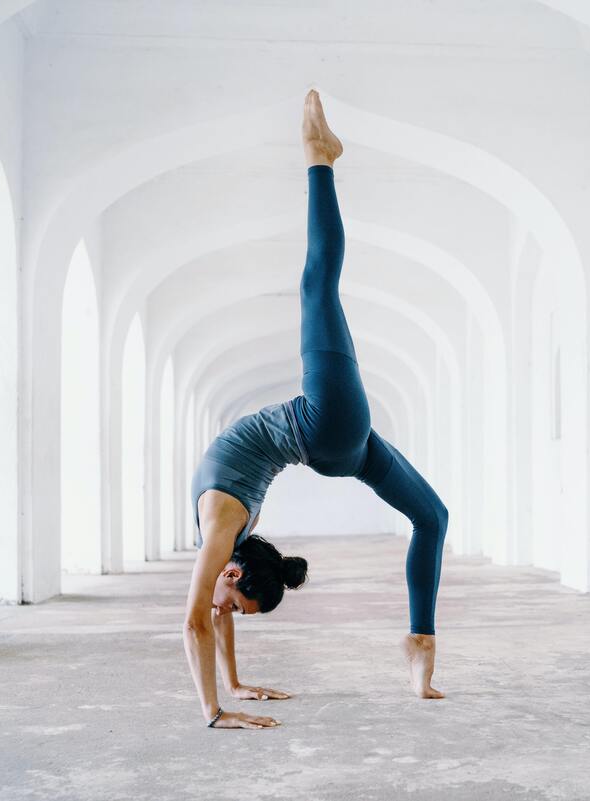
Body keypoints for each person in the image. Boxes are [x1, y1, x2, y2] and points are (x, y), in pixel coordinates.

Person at [182, 89, 449, 730]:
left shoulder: (222, 529)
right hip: (329, 430)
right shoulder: (228, 547)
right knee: (317, 287)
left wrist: (220, 706)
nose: (228, 610)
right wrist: (231, 691)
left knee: (433, 516)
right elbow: (215, 612)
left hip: (330, 431)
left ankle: (420, 646)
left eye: (237, 605)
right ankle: (319, 160)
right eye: (241, 607)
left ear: (233, 570)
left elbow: (196, 619)